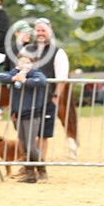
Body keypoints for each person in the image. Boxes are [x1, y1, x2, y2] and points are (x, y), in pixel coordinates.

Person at [25, 17, 70, 174]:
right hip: (27, 99)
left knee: (42, 134)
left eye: (43, 30)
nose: (40, 33)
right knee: (26, 134)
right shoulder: (27, 50)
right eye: (38, 30)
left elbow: (62, 78)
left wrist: (56, 96)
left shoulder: (58, 52)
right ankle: (27, 165)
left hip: (46, 99)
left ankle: (40, 165)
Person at [0, 54, 47, 183]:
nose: (24, 65)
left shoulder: (36, 73)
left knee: (30, 145)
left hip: (32, 113)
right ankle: (30, 174)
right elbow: (0, 76)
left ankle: (42, 171)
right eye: (21, 62)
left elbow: (41, 81)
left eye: (27, 62)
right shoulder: (15, 73)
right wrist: (14, 78)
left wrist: (25, 81)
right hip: (18, 114)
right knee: (23, 145)